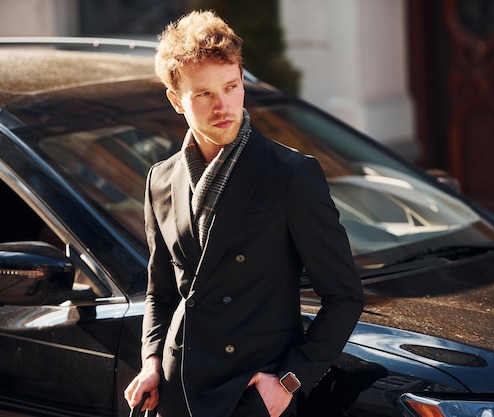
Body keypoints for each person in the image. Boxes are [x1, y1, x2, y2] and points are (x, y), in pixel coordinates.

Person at [124, 10, 364, 417]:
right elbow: (161, 292)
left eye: (231, 87)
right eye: (204, 94)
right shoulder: (160, 180)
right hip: (177, 387)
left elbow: (344, 296)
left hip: (253, 392)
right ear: (176, 100)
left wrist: (289, 382)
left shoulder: (290, 175)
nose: (223, 105)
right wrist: (150, 363)